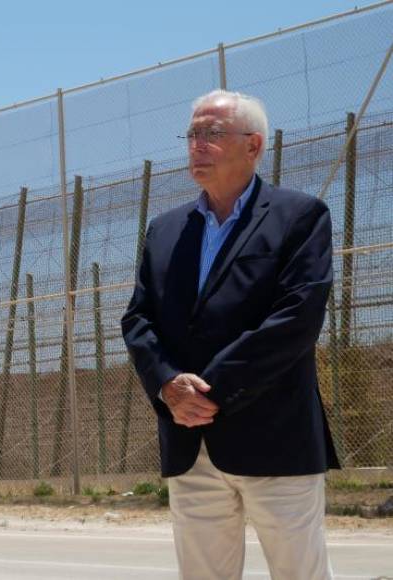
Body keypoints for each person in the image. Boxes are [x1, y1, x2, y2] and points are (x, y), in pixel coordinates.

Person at [121, 89, 339, 580]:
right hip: (188, 442)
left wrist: (210, 390)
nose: (198, 144)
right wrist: (169, 385)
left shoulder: (300, 217)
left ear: (253, 145)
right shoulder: (165, 230)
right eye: (193, 134)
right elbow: (138, 320)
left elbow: (296, 319)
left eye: (212, 133)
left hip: (275, 440)